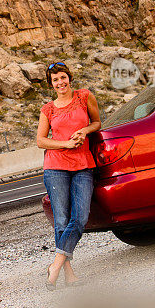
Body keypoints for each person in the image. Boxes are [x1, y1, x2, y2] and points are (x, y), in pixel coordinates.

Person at [37, 61, 101, 289]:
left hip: (84, 165)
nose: (60, 82)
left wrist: (84, 130)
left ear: (69, 78)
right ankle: (68, 273)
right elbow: (40, 141)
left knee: (80, 217)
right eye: (55, 80)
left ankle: (55, 264)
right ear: (51, 84)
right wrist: (65, 143)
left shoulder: (84, 97)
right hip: (55, 168)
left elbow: (97, 122)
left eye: (63, 77)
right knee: (61, 221)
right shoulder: (48, 109)